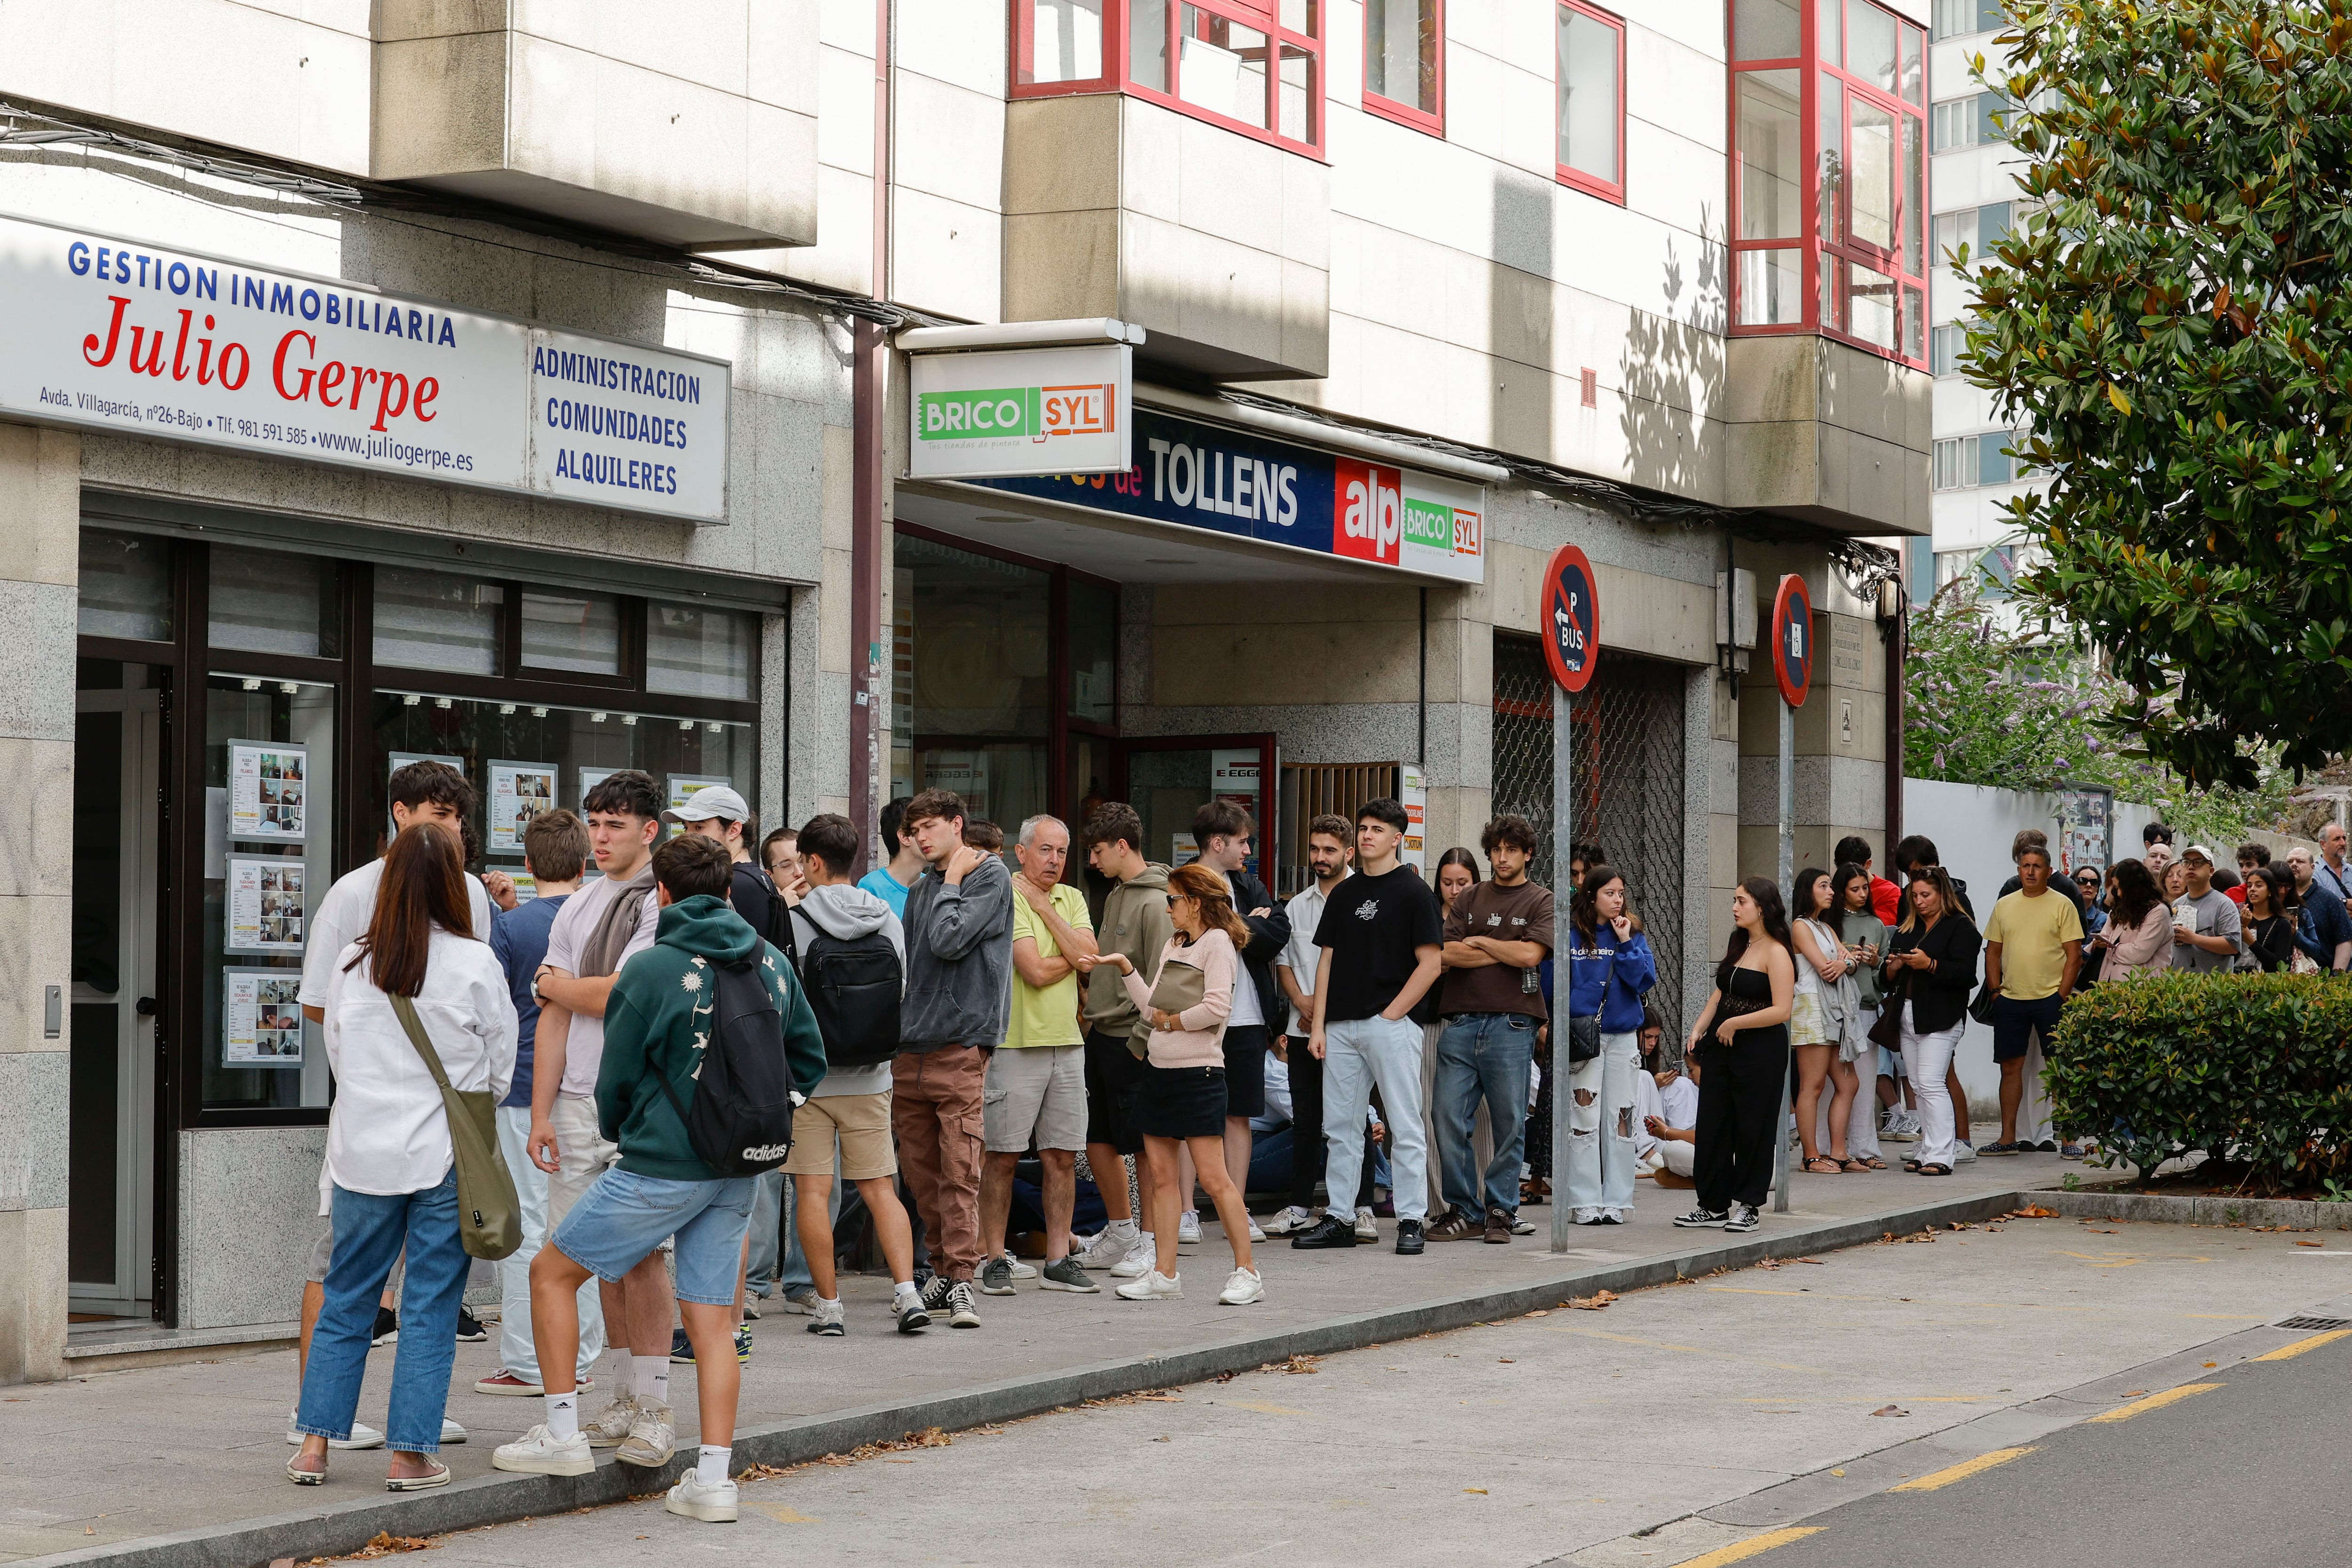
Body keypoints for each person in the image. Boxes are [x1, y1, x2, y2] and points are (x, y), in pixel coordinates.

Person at [492, 834, 825, 1524]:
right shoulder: (768, 960)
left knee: (552, 1273)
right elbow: (810, 1056)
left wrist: (627, 1127)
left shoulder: (650, 967)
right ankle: (713, 1481)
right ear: (730, 890)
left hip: (660, 1164)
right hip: (739, 1168)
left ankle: (561, 1434)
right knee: (711, 1323)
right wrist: (763, 1109)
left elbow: (614, 1083)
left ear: (662, 893)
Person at [289, 823, 517, 1491]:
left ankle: (313, 1447)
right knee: (429, 1303)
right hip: (443, 1156)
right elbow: (499, 1068)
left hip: (360, 1153)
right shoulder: (475, 963)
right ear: (456, 884)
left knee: (347, 1297)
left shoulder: (355, 962)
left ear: (387, 884)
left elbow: (336, 1049)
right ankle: (410, 1453)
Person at [526, 769, 671, 1450]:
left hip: (638, 1101)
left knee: (641, 1258)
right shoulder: (577, 906)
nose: (602, 835)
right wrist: (541, 1112)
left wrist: (562, 984)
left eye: (616, 823)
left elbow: (624, 995)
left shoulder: (659, 902)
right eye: (595, 821)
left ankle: (655, 1408)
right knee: (592, 1257)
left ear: (650, 830)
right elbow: (552, 1016)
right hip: (575, 1102)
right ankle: (619, 1396)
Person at [784, 813, 929, 1335]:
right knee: (879, 1189)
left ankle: (829, 1306)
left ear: (814, 862)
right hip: (873, 1076)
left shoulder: (795, 919)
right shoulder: (888, 917)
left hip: (812, 1081)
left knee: (814, 1192)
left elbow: (785, 1003)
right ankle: (907, 1294)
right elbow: (903, 989)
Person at [476, 811, 601, 1398]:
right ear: (585, 862)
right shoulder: (601, 916)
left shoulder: (511, 928)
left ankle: (529, 1359)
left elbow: (495, 1012)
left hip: (524, 1087)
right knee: (585, 1226)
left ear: (528, 866)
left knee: (526, 1227)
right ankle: (587, 1353)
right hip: (588, 1087)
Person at [1097, 862, 1262, 1304]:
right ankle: (1165, 1273)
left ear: (1194, 901)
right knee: (1163, 1179)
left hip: (1200, 1074)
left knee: (1214, 1177)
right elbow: (1153, 1009)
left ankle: (1248, 1270)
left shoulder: (1218, 942)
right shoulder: (1176, 942)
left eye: (1173, 899)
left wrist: (1171, 1025)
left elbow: (1215, 1009)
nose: (1168, 907)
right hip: (1160, 1073)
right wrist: (1126, 968)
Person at [668, 785, 795, 1339]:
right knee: (740, 1199)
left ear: (734, 830)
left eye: (702, 828)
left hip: (728, 1064)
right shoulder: (763, 883)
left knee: (730, 1206)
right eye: (688, 828)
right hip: (756, 1062)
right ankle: (731, 1318)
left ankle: (728, 1317)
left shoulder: (740, 886)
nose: (691, 838)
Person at [1292, 798, 1445, 1255]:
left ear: (1397, 838)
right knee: (1339, 1127)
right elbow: (1326, 961)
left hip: (1389, 1025)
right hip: (1338, 1026)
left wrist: (1392, 1014)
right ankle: (1340, 1217)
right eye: (1361, 828)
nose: (1365, 836)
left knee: (1404, 1123)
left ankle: (1411, 1220)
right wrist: (1317, 1026)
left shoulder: (1414, 892)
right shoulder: (1343, 892)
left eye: (1376, 829)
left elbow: (1430, 964)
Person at [894, 788, 1015, 1329]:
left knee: (959, 1168)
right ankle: (942, 1269)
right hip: (911, 1048)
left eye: (928, 827)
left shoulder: (988, 876)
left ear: (956, 824)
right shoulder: (923, 888)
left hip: (961, 1043)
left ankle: (963, 1279)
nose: (919, 837)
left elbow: (948, 940)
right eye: (912, 830)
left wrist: (948, 882)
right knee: (921, 1174)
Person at [978, 814, 1101, 1296]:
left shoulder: (1069, 898)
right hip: (1013, 1042)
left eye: (1061, 852)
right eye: (1045, 850)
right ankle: (992, 1258)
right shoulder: (1005, 893)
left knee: (1062, 1157)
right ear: (1021, 852)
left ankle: (1057, 1258)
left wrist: (1046, 911)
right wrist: (1069, 955)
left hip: (1067, 1044)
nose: (1053, 861)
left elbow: (1091, 959)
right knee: (1001, 1157)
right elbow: (1031, 969)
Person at [1430, 824, 1554, 1240]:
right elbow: (1447, 953)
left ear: (1529, 854)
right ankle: (1464, 1210)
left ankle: (1501, 1210)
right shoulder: (1469, 896)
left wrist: (1479, 941)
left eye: (1512, 850)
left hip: (1513, 1022)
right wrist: (1503, 946)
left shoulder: (1541, 899)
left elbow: (1530, 954)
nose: (1502, 857)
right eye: (1497, 850)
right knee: (1446, 1116)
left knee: (1509, 1122)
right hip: (1461, 1021)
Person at [1074, 804, 1174, 1274]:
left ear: (1120, 845)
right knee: (1097, 1138)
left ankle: (1152, 1244)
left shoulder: (1156, 901)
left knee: (1144, 1147)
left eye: (1096, 850)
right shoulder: (1116, 892)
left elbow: (1164, 975)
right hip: (1101, 1033)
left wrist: (1141, 1036)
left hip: (1133, 1038)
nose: (1091, 860)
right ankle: (1122, 1232)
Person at [1189, 800, 1290, 1246]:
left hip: (1247, 1017)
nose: (1248, 849)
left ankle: (1239, 1207)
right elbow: (1190, 937)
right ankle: (1186, 1211)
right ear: (1217, 842)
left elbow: (1277, 934)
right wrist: (1247, 924)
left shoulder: (1248, 884)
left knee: (1238, 1114)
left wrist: (1236, 923)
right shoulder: (1183, 883)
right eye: (1242, 841)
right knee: (1192, 1116)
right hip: (1198, 1017)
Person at [1263, 814, 1365, 1239]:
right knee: (1306, 1121)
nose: (1319, 858)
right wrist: (1304, 1004)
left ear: (1348, 852)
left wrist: (1323, 1010)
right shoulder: (1296, 905)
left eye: (1329, 850)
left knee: (1353, 1119)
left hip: (1346, 1028)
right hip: (1302, 1026)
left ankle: (1361, 1207)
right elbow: (1284, 963)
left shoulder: (1366, 899)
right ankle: (1300, 1204)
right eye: (1314, 849)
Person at [1675, 878, 1796, 1232]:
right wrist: (1699, 1027)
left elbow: (1783, 1010)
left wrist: (1738, 1024)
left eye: (1741, 901)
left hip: (1760, 1052)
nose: (1734, 907)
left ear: (1762, 907)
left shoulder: (1777, 951)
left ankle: (1749, 1206)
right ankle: (1712, 1204)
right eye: (1734, 899)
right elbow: (1720, 994)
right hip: (1722, 1049)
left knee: (1752, 1127)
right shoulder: (1739, 943)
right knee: (1713, 1124)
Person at [1554, 860, 1653, 1224]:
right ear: (1591, 896)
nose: (1617, 900)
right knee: (1583, 1115)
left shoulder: (1633, 934)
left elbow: (1643, 980)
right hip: (1584, 1037)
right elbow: (1555, 983)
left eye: (1621, 894)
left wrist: (1625, 941)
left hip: (1623, 1036)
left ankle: (1618, 1199)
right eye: (1609, 893)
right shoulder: (1571, 934)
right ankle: (1584, 1199)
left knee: (1622, 1116)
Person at [1979, 838, 2083, 1154]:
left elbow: (2074, 954)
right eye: (2026, 865)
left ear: (2049, 871)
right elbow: (1992, 951)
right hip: (2011, 999)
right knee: (2010, 1067)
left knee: (2060, 1069)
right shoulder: (2005, 905)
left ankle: (2069, 1141)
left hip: (2051, 999)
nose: (2031, 871)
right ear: (2018, 869)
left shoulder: (2062, 904)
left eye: (2037, 866)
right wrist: (1996, 990)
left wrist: (2061, 995)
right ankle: (2007, 1137)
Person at [1880, 867, 1980, 1177]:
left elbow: (1965, 976)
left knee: (1932, 1083)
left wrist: (1931, 964)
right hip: (1907, 1013)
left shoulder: (1960, 927)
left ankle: (1941, 1153)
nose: (1920, 901)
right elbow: (1886, 978)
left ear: (1942, 894)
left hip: (1942, 1014)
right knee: (1919, 1085)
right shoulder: (1908, 927)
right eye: (1915, 895)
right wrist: (1894, 967)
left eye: (1926, 895)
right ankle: (1928, 1148)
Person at [1787, 867, 1859, 1176]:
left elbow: (1849, 963)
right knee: (1812, 1085)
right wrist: (1846, 961)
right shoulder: (1801, 926)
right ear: (1808, 890)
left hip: (1834, 1009)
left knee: (1848, 1082)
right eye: (1824, 886)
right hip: (1812, 1007)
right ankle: (1811, 1155)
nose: (1832, 891)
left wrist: (1847, 961)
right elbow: (1826, 967)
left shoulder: (1827, 928)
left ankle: (1839, 1151)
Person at [1829, 863, 1888, 1170]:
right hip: (1832, 1009)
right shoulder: (1828, 922)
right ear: (1841, 891)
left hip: (1865, 1008)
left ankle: (1864, 1147)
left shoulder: (1876, 924)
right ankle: (1827, 1147)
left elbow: (1885, 976)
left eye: (1866, 888)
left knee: (1864, 1081)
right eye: (1855, 889)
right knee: (1831, 1083)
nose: (1863, 893)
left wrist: (1876, 960)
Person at [2090, 860, 2175, 982]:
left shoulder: (2159, 912)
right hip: (2110, 982)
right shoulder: (2119, 908)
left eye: (2120, 888)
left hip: (2143, 987)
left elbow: (2139, 952)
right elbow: (2106, 936)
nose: (2119, 893)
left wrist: (2113, 949)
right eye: (2116, 888)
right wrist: (2099, 943)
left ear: (2133, 888)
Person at [2169, 845, 2245, 973]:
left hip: (2211, 987)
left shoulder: (2224, 904)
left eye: (2198, 862)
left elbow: (2233, 946)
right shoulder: (2176, 904)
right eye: (2186, 862)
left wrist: (2193, 938)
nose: (2191, 867)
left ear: (2211, 871)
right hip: (2178, 985)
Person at [2285, 845, 2352, 971]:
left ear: (2312, 868)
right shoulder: (2279, 899)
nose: (2294, 865)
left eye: (2300, 861)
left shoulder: (2329, 900)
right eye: (2290, 862)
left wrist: (2336, 976)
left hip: (2322, 978)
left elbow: (2345, 939)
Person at [857, 796, 923, 920]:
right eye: (922, 829)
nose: (930, 836)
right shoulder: (871, 887)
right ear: (905, 837)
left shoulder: (933, 885)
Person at [2242, 865, 2302, 973]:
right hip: (2234, 982)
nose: (2252, 890)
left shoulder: (2282, 924)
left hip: (2268, 984)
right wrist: (2242, 925)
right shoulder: (2241, 918)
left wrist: (2251, 942)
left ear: (2270, 891)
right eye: (2249, 886)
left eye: (2259, 885)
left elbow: (2279, 965)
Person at [1836, 834, 1903, 927]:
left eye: (1856, 869)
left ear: (1868, 864)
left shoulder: (1890, 892)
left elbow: (1882, 927)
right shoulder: (1831, 891)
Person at [2317, 823, 2352, 905]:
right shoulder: (2314, 873)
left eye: (2344, 838)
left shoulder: (2351, 871)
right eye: (2337, 839)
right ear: (2323, 844)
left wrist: (2336, 905)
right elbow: (2323, 906)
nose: (2343, 843)